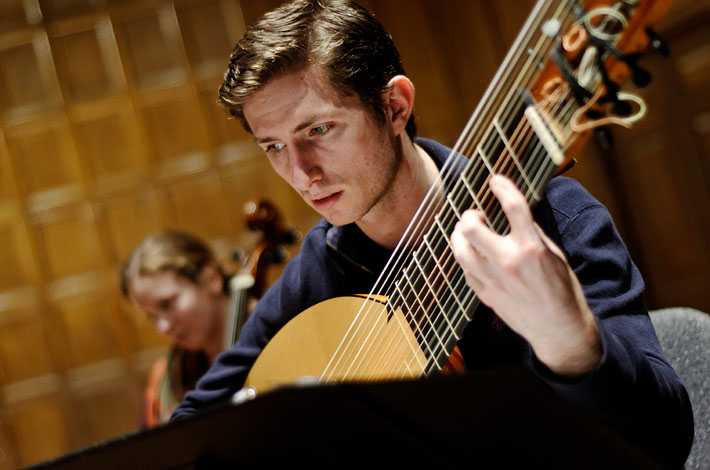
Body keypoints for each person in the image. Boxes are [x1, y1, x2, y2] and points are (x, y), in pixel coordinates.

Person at [171, 0, 694, 466]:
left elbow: (665, 441)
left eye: (318, 130)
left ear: (394, 107)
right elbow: (194, 427)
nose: (302, 172)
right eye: (274, 147)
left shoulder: (552, 222)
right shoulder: (322, 264)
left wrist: (574, 345)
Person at [121, 230, 232, 426]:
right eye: (151, 316)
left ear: (211, 278)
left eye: (167, 304)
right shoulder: (163, 380)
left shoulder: (281, 336)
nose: (163, 327)